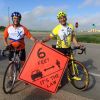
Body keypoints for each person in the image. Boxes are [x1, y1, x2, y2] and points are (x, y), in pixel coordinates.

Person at [42, 11, 84, 80]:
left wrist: (77, 45)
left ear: (66, 18)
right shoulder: (57, 28)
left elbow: (73, 38)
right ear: (58, 20)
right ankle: (57, 80)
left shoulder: (71, 26)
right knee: (59, 65)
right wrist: (43, 41)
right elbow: (50, 36)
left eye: (63, 17)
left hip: (68, 47)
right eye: (60, 18)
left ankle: (73, 75)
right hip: (60, 48)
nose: (62, 19)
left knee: (71, 62)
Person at [3, 12, 37, 86]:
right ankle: (10, 79)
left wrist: (35, 41)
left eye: (18, 18)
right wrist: (6, 45)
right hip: (11, 49)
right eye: (14, 18)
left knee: (22, 64)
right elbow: (4, 38)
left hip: (21, 49)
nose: (16, 19)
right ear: (12, 19)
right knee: (11, 64)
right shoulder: (8, 28)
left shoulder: (23, 28)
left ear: (20, 19)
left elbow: (29, 36)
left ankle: (24, 78)